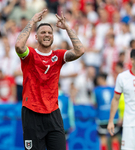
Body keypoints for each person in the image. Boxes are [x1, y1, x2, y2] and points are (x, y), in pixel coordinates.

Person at [15, 9, 85, 150]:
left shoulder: (58, 56)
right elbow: (18, 45)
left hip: (53, 113)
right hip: (32, 113)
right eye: (43, 32)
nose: (46, 35)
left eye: (49, 33)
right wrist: (33, 21)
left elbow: (80, 51)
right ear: (36, 36)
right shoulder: (30, 55)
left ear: (53, 37)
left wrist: (67, 28)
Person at [93, 73, 120, 150]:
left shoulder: (96, 90)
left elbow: (94, 103)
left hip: (102, 118)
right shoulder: (113, 89)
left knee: (103, 139)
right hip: (114, 117)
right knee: (114, 137)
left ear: (100, 79)